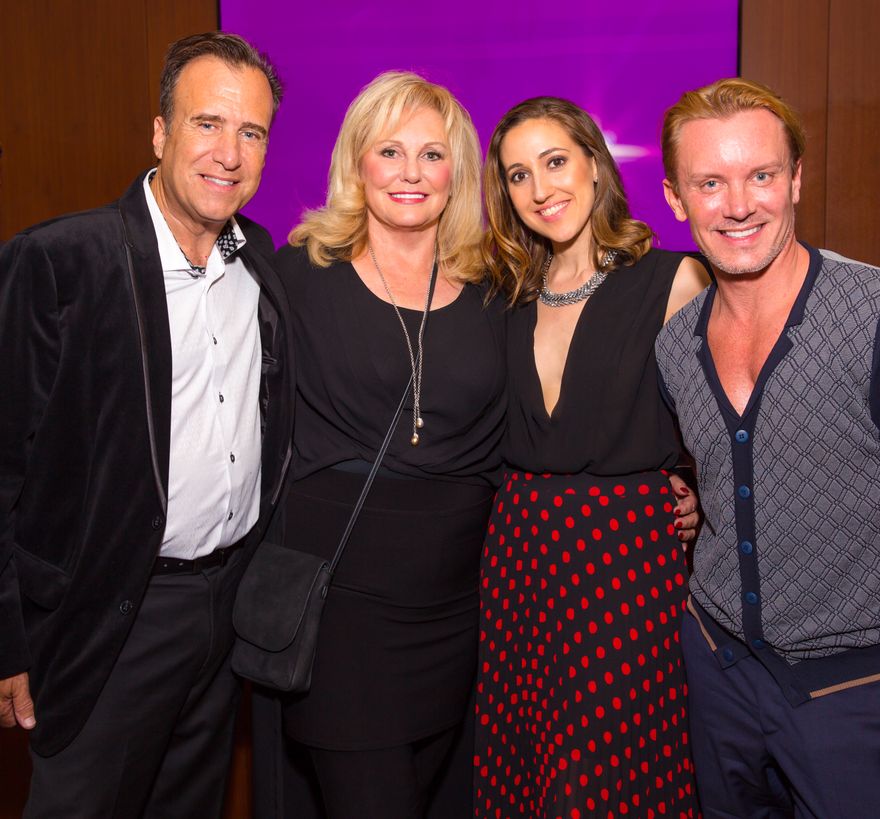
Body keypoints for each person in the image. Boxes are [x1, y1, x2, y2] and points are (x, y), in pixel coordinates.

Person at [656, 77, 880, 818]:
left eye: (762, 176)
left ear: (797, 180)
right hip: (715, 672)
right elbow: (721, 472)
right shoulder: (675, 343)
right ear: (676, 198)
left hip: (856, 696)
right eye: (709, 182)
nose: (738, 203)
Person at [0, 32, 293, 818]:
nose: (228, 153)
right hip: (108, 619)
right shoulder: (61, 263)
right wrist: (8, 641)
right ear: (159, 133)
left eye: (252, 132)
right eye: (207, 123)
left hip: (222, 613)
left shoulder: (259, 264)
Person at [263, 71, 506, 818]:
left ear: (456, 171)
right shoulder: (295, 276)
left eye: (431, 154)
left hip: (457, 610)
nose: (409, 173)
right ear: (356, 162)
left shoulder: (501, 287)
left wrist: (669, 479)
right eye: (389, 150)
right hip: (343, 612)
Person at [474, 97, 710, 818]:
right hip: (520, 565)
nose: (541, 189)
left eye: (554, 162)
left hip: (625, 565)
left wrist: (694, 488)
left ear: (595, 165)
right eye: (518, 175)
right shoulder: (500, 296)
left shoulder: (674, 281)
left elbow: (724, 432)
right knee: (526, 770)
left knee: (604, 780)